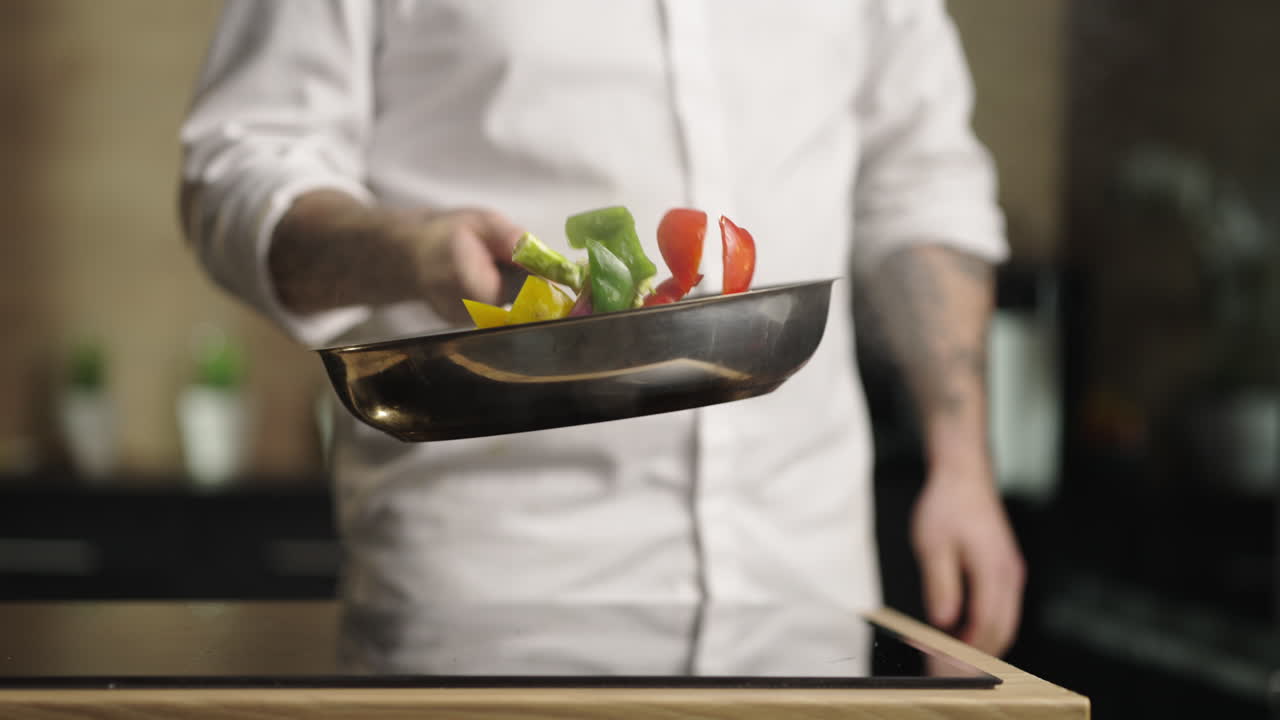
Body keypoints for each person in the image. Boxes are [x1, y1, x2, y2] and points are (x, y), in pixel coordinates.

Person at [180, 0, 1025, 657]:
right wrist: (409, 251)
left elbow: (921, 181)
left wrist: (963, 465)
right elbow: (239, 171)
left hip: (809, 587)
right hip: (493, 604)